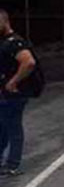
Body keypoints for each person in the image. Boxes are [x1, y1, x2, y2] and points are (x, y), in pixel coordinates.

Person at [0, 9, 37, 176]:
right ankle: (6, 162)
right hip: (6, 93)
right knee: (4, 126)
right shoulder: (4, 41)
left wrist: (13, 81)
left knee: (12, 126)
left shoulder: (15, 42)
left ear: (5, 21)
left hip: (15, 93)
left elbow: (28, 62)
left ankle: (13, 164)